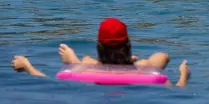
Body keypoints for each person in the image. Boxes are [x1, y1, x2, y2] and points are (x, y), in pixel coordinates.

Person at [12, 17, 189, 86]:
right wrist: (183, 75)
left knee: (80, 62)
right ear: (128, 45)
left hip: (94, 69)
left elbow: (48, 84)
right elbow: (178, 91)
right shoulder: (147, 71)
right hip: (135, 71)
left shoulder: (84, 69)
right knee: (157, 60)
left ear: (99, 47)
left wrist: (27, 65)